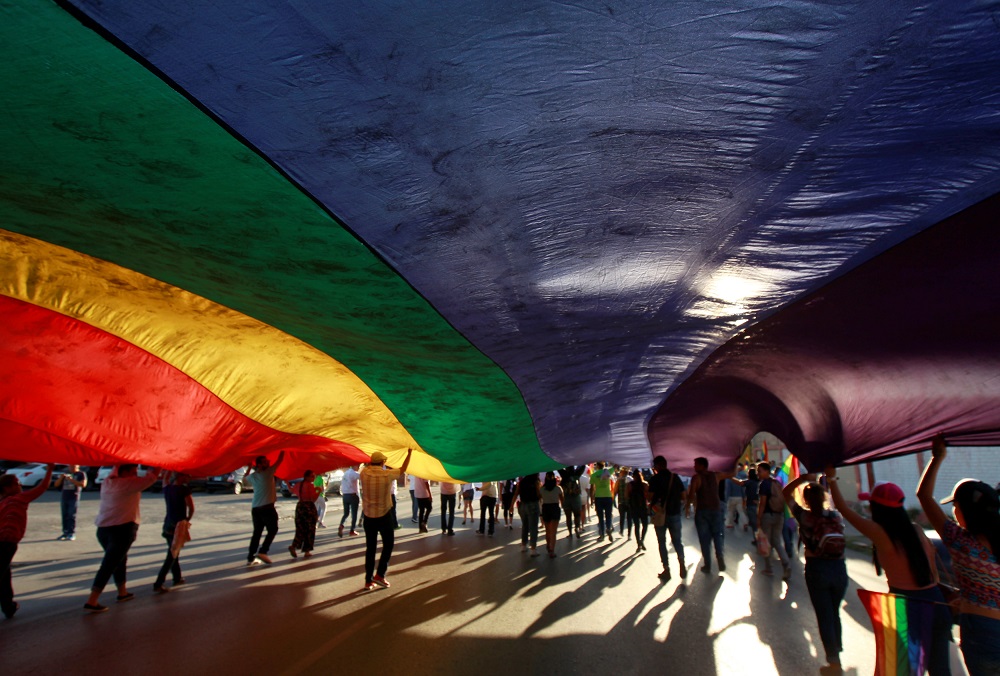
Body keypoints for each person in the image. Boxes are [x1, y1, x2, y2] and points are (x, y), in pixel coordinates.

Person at [829, 470, 952, 676]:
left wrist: (831, 479)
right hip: (936, 603)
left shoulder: (880, 534)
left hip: (907, 606)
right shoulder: (917, 530)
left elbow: (842, 508)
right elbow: (934, 574)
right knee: (940, 671)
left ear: (878, 508)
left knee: (902, 671)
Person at [918, 435, 1000, 676]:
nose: (953, 512)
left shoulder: (961, 542)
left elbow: (923, 496)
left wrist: (937, 458)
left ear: (965, 510)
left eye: (955, 507)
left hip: (982, 634)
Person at [784, 472, 847, 674]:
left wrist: (803, 478)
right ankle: (837, 649)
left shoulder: (805, 516)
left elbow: (785, 493)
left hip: (817, 568)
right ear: (823, 497)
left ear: (805, 499)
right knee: (834, 611)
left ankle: (833, 659)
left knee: (824, 614)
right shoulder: (835, 515)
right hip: (839, 568)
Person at [84, 464, 161, 613]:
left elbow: (118, 470)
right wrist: (159, 463)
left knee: (119, 560)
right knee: (110, 563)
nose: (135, 475)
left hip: (103, 529)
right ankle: (92, 600)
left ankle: (122, 592)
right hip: (122, 528)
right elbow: (151, 478)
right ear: (125, 473)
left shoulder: (108, 481)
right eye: (133, 472)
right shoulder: (127, 484)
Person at [0, 463, 53, 618]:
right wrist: (49, 470)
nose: (20, 485)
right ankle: (8, 606)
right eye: (17, 483)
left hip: (6, 542)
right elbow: (42, 488)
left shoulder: (3, 502)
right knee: (2, 575)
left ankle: (8, 606)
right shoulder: (19, 499)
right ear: (7, 488)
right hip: (7, 543)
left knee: (4, 576)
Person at [360, 449, 413, 590]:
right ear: (383, 462)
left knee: (370, 548)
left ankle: (368, 581)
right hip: (384, 515)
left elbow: (365, 465)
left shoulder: (363, 473)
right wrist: (409, 453)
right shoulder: (387, 475)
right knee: (388, 545)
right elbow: (403, 469)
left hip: (369, 516)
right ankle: (380, 575)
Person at [685, 457, 737, 574]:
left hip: (703, 511)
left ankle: (707, 565)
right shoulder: (716, 476)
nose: (694, 467)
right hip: (716, 510)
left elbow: (692, 495)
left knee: (704, 539)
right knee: (717, 534)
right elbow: (733, 473)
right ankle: (720, 556)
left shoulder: (696, 478)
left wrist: (688, 508)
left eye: (696, 465)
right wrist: (736, 459)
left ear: (702, 466)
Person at [153, 472, 195, 593]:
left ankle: (177, 577)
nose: (188, 477)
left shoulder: (167, 488)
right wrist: (188, 519)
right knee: (172, 553)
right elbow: (191, 507)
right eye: (186, 476)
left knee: (173, 550)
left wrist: (170, 467)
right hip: (178, 525)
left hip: (167, 523)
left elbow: (165, 478)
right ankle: (158, 583)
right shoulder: (184, 490)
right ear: (180, 477)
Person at [648, 456, 686, 580]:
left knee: (662, 542)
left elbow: (649, 497)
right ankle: (681, 561)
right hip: (674, 513)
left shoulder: (654, 479)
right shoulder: (675, 478)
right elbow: (683, 495)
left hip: (659, 515)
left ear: (658, 466)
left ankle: (666, 569)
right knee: (677, 541)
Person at [246, 452, 284, 566]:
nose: (267, 462)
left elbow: (244, 478)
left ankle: (250, 558)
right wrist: (283, 448)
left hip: (256, 509)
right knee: (273, 529)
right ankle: (263, 551)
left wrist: (248, 467)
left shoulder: (253, 476)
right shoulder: (267, 473)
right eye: (264, 462)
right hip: (267, 508)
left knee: (257, 533)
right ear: (259, 465)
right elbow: (280, 460)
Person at [756, 461, 791, 579]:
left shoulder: (764, 484)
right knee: (777, 542)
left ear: (766, 471)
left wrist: (758, 518)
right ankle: (786, 564)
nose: (758, 474)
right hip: (779, 515)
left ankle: (769, 568)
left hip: (767, 515)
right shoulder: (777, 482)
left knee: (766, 542)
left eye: (760, 471)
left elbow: (763, 503)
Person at [289, 470, 319, 559]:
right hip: (308, 507)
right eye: (311, 476)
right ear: (306, 477)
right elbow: (313, 499)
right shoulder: (310, 486)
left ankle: (294, 546)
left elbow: (291, 490)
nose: (313, 478)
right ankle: (307, 550)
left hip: (300, 507)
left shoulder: (298, 485)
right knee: (310, 529)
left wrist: (287, 483)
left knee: (300, 529)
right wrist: (318, 491)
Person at [511, 473, 541, 556]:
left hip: (523, 505)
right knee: (533, 527)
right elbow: (539, 493)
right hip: (533, 505)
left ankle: (524, 545)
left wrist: (511, 506)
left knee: (525, 525)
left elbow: (516, 493)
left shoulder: (522, 482)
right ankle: (533, 549)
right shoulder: (535, 481)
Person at [54, 465, 87, 541]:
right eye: (70, 466)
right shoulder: (65, 473)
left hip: (74, 497)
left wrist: (71, 480)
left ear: (77, 466)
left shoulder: (81, 474)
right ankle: (65, 532)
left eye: (73, 466)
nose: (71, 468)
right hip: (65, 496)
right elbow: (56, 484)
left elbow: (83, 485)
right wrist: (61, 478)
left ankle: (71, 533)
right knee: (64, 515)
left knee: (71, 515)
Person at [539, 472, 564, 558]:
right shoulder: (558, 488)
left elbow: (540, 498)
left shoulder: (542, 489)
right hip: (555, 508)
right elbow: (562, 500)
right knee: (553, 532)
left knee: (548, 530)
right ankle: (552, 550)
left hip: (546, 508)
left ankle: (548, 545)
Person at [590, 462, 616, 542]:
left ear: (597, 466)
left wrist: (592, 500)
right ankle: (608, 528)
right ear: (603, 465)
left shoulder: (593, 475)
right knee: (608, 515)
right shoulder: (607, 472)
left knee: (600, 517)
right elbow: (616, 466)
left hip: (598, 497)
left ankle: (602, 535)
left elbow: (592, 488)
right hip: (608, 496)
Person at [627, 469, 650, 553]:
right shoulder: (645, 484)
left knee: (637, 526)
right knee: (645, 525)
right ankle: (642, 540)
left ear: (633, 476)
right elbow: (648, 497)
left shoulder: (630, 485)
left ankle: (638, 543)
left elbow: (627, 496)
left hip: (634, 508)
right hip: (643, 507)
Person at [559, 467, 584, 537]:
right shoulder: (577, 475)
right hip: (576, 498)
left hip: (566, 498)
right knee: (577, 515)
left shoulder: (564, 475)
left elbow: (559, 469)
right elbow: (582, 467)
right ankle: (577, 527)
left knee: (568, 517)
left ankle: (570, 533)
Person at [339, 464, 360, 538]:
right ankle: (352, 530)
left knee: (346, 513)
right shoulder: (354, 473)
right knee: (354, 514)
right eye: (358, 466)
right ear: (355, 466)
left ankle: (342, 524)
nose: (358, 468)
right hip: (353, 495)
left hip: (345, 495)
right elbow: (363, 477)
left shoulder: (345, 473)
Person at [616, 466, 633, 540]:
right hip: (630, 502)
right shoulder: (631, 479)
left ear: (622, 472)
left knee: (622, 517)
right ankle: (629, 534)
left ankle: (621, 531)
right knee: (629, 519)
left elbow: (615, 491)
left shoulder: (619, 480)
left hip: (621, 501)